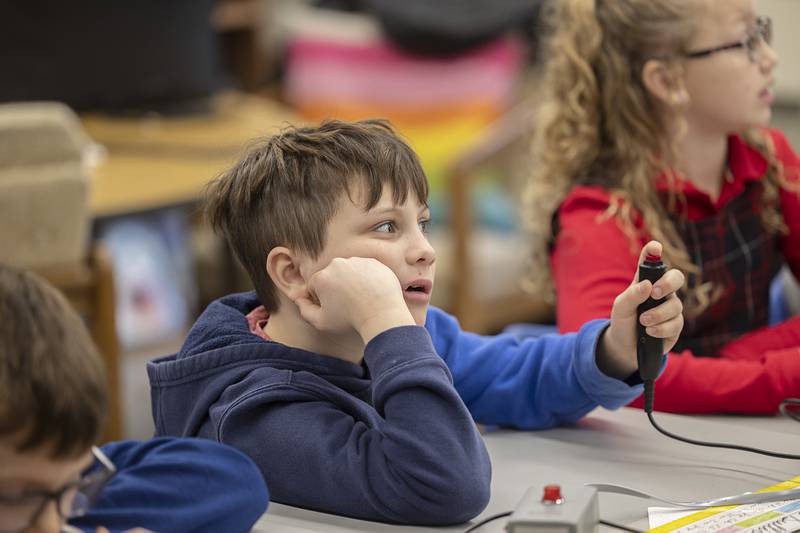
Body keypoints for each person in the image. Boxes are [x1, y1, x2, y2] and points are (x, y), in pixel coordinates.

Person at [147, 119, 684, 525]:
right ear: (293, 273)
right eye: (386, 227)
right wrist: (387, 326)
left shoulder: (399, 338)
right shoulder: (252, 416)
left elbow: (512, 371)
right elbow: (445, 486)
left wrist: (614, 349)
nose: (425, 250)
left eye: (421, 224)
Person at [525, 0, 800, 415]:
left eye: (760, 31)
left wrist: (742, 357)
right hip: (653, 452)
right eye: (744, 40)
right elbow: (619, 375)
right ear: (667, 80)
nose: (768, 56)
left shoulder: (768, 159)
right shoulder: (597, 214)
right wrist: (779, 373)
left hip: (750, 426)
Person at [0, 264, 269, 533]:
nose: (51, 527)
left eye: (78, 482)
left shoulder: (52, 477)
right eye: (14, 495)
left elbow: (235, 481)